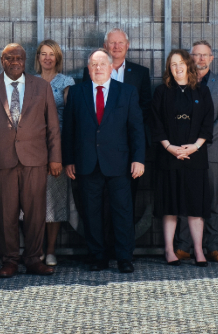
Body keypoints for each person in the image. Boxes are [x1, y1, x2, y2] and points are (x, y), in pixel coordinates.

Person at [0, 43, 60, 278]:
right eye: (9, 58)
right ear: (2, 61)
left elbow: (53, 127)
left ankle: (33, 259)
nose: (15, 62)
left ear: (25, 61)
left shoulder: (41, 87)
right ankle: (9, 260)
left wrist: (55, 158)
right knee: (6, 214)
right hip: (2, 162)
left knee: (36, 214)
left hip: (35, 160)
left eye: (19, 58)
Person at [63, 49, 145, 273]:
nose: (98, 68)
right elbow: (69, 129)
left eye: (102, 64)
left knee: (122, 211)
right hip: (86, 162)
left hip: (120, 163)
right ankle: (97, 256)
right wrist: (68, 160)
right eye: (93, 64)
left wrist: (138, 159)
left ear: (111, 68)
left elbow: (136, 129)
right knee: (91, 212)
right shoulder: (77, 93)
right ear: (88, 69)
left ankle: (124, 257)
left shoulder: (127, 92)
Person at [152, 50, 214, 267]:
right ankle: (169, 250)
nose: (178, 68)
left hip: (195, 157)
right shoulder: (161, 92)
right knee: (170, 206)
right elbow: (156, 122)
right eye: (173, 64)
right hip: (168, 156)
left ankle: (198, 250)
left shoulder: (202, 91)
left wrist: (195, 147)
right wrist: (169, 147)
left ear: (188, 65)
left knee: (196, 207)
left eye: (181, 63)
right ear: (169, 68)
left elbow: (208, 122)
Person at [174, 41, 218, 264]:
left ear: (211, 58)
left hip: (212, 150)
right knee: (185, 198)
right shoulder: (181, 83)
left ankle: (213, 248)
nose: (200, 59)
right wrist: (187, 143)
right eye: (196, 55)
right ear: (190, 58)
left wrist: (199, 141)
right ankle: (183, 246)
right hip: (185, 151)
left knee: (212, 201)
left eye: (204, 55)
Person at [34, 40, 75, 267]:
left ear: (57, 57)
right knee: (34, 200)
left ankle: (50, 250)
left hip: (56, 147)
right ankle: (36, 248)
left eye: (51, 54)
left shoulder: (66, 82)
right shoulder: (30, 81)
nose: (47, 58)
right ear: (38, 58)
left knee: (55, 199)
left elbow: (70, 117)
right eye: (43, 54)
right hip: (33, 148)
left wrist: (63, 154)